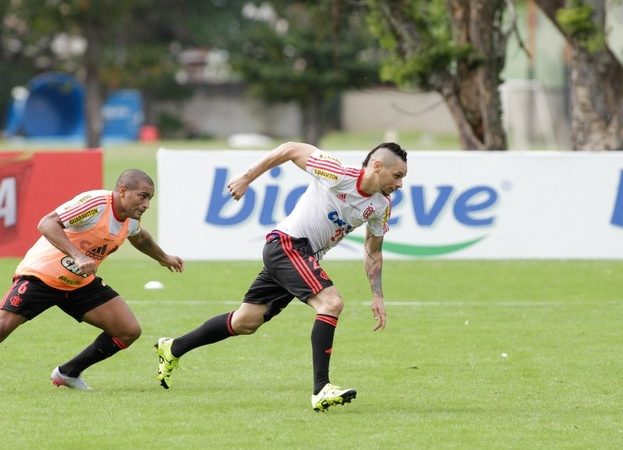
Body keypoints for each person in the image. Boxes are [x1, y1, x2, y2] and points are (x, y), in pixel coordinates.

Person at [155, 141, 407, 411]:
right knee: (331, 303)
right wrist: (246, 177)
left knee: (245, 322)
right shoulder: (338, 174)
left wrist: (377, 296)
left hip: (302, 255)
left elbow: (373, 250)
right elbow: (290, 149)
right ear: (377, 166)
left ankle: (173, 347)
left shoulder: (381, 205)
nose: (400, 184)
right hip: (288, 245)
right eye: (398, 175)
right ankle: (321, 389)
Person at [0, 169, 184, 390]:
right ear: (123, 191)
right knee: (2, 327)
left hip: (79, 284)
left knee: (128, 330)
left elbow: (140, 237)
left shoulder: (130, 219)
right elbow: (47, 223)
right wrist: (78, 255)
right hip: (41, 276)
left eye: (150, 199)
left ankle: (68, 373)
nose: (146, 204)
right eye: (142, 196)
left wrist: (164, 258)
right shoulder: (96, 203)